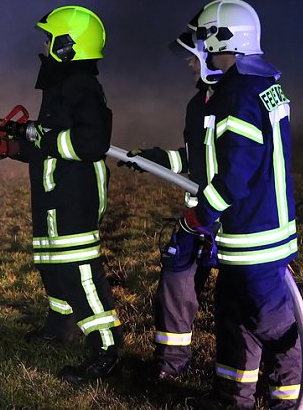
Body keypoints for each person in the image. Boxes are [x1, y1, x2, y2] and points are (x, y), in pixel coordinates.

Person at [180, 0, 301, 409]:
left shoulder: (238, 94)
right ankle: (232, 398)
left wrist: (202, 212)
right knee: (233, 316)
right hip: (257, 228)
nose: (199, 51)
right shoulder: (262, 84)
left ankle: (291, 397)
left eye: (203, 40)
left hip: (255, 231)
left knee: (272, 323)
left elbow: (237, 171)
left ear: (220, 38)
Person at [0, 5, 122, 385]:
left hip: (74, 195)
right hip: (53, 191)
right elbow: (50, 142)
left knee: (79, 269)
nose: (45, 44)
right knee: (51, 261)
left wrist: (41, 138)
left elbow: (92, 141)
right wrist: (17, 149)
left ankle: (107, 348)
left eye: (51, 38)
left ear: (68, 46)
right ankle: (61, 324)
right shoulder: (60, 84)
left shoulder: (81, 85)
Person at [117, 30, 222, 381]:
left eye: (194, 56)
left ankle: (259, 383)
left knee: (245, 305)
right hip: (196, 218)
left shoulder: (237, 102)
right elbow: (193, 160)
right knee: (174, 288)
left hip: (232, 221)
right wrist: (153, 159)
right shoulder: (198, 104)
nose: (190, 63)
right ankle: (170, 367)